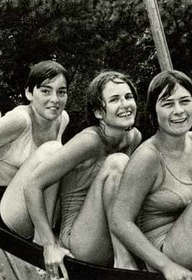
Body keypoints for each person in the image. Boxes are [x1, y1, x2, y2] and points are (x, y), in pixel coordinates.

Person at [111, 70, 192, 280]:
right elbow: (119, 222)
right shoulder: (147, 157)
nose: (178, 111)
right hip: (167, 249)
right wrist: (167, 267)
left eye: (185, 101)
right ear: (154, 112)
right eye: (168, 104)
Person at [22, 71, 142, 279]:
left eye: (128, 97)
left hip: (112, 233)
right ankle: (125, 264)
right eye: (114, 99)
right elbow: (32, 184)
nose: (125, 105)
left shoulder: (133, 137)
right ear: (98, 112)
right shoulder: (89, 140)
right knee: (117, 163)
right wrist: (49, 245)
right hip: (79, 241)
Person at [0, 60, 70, 242]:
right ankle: (43, 240)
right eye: (46, 91)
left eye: (61, 92)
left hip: (37, 204)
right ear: (29, 93)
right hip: (5, 206)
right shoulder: (20, 119)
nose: (55, 99)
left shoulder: (62, 119)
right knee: (53, 150)